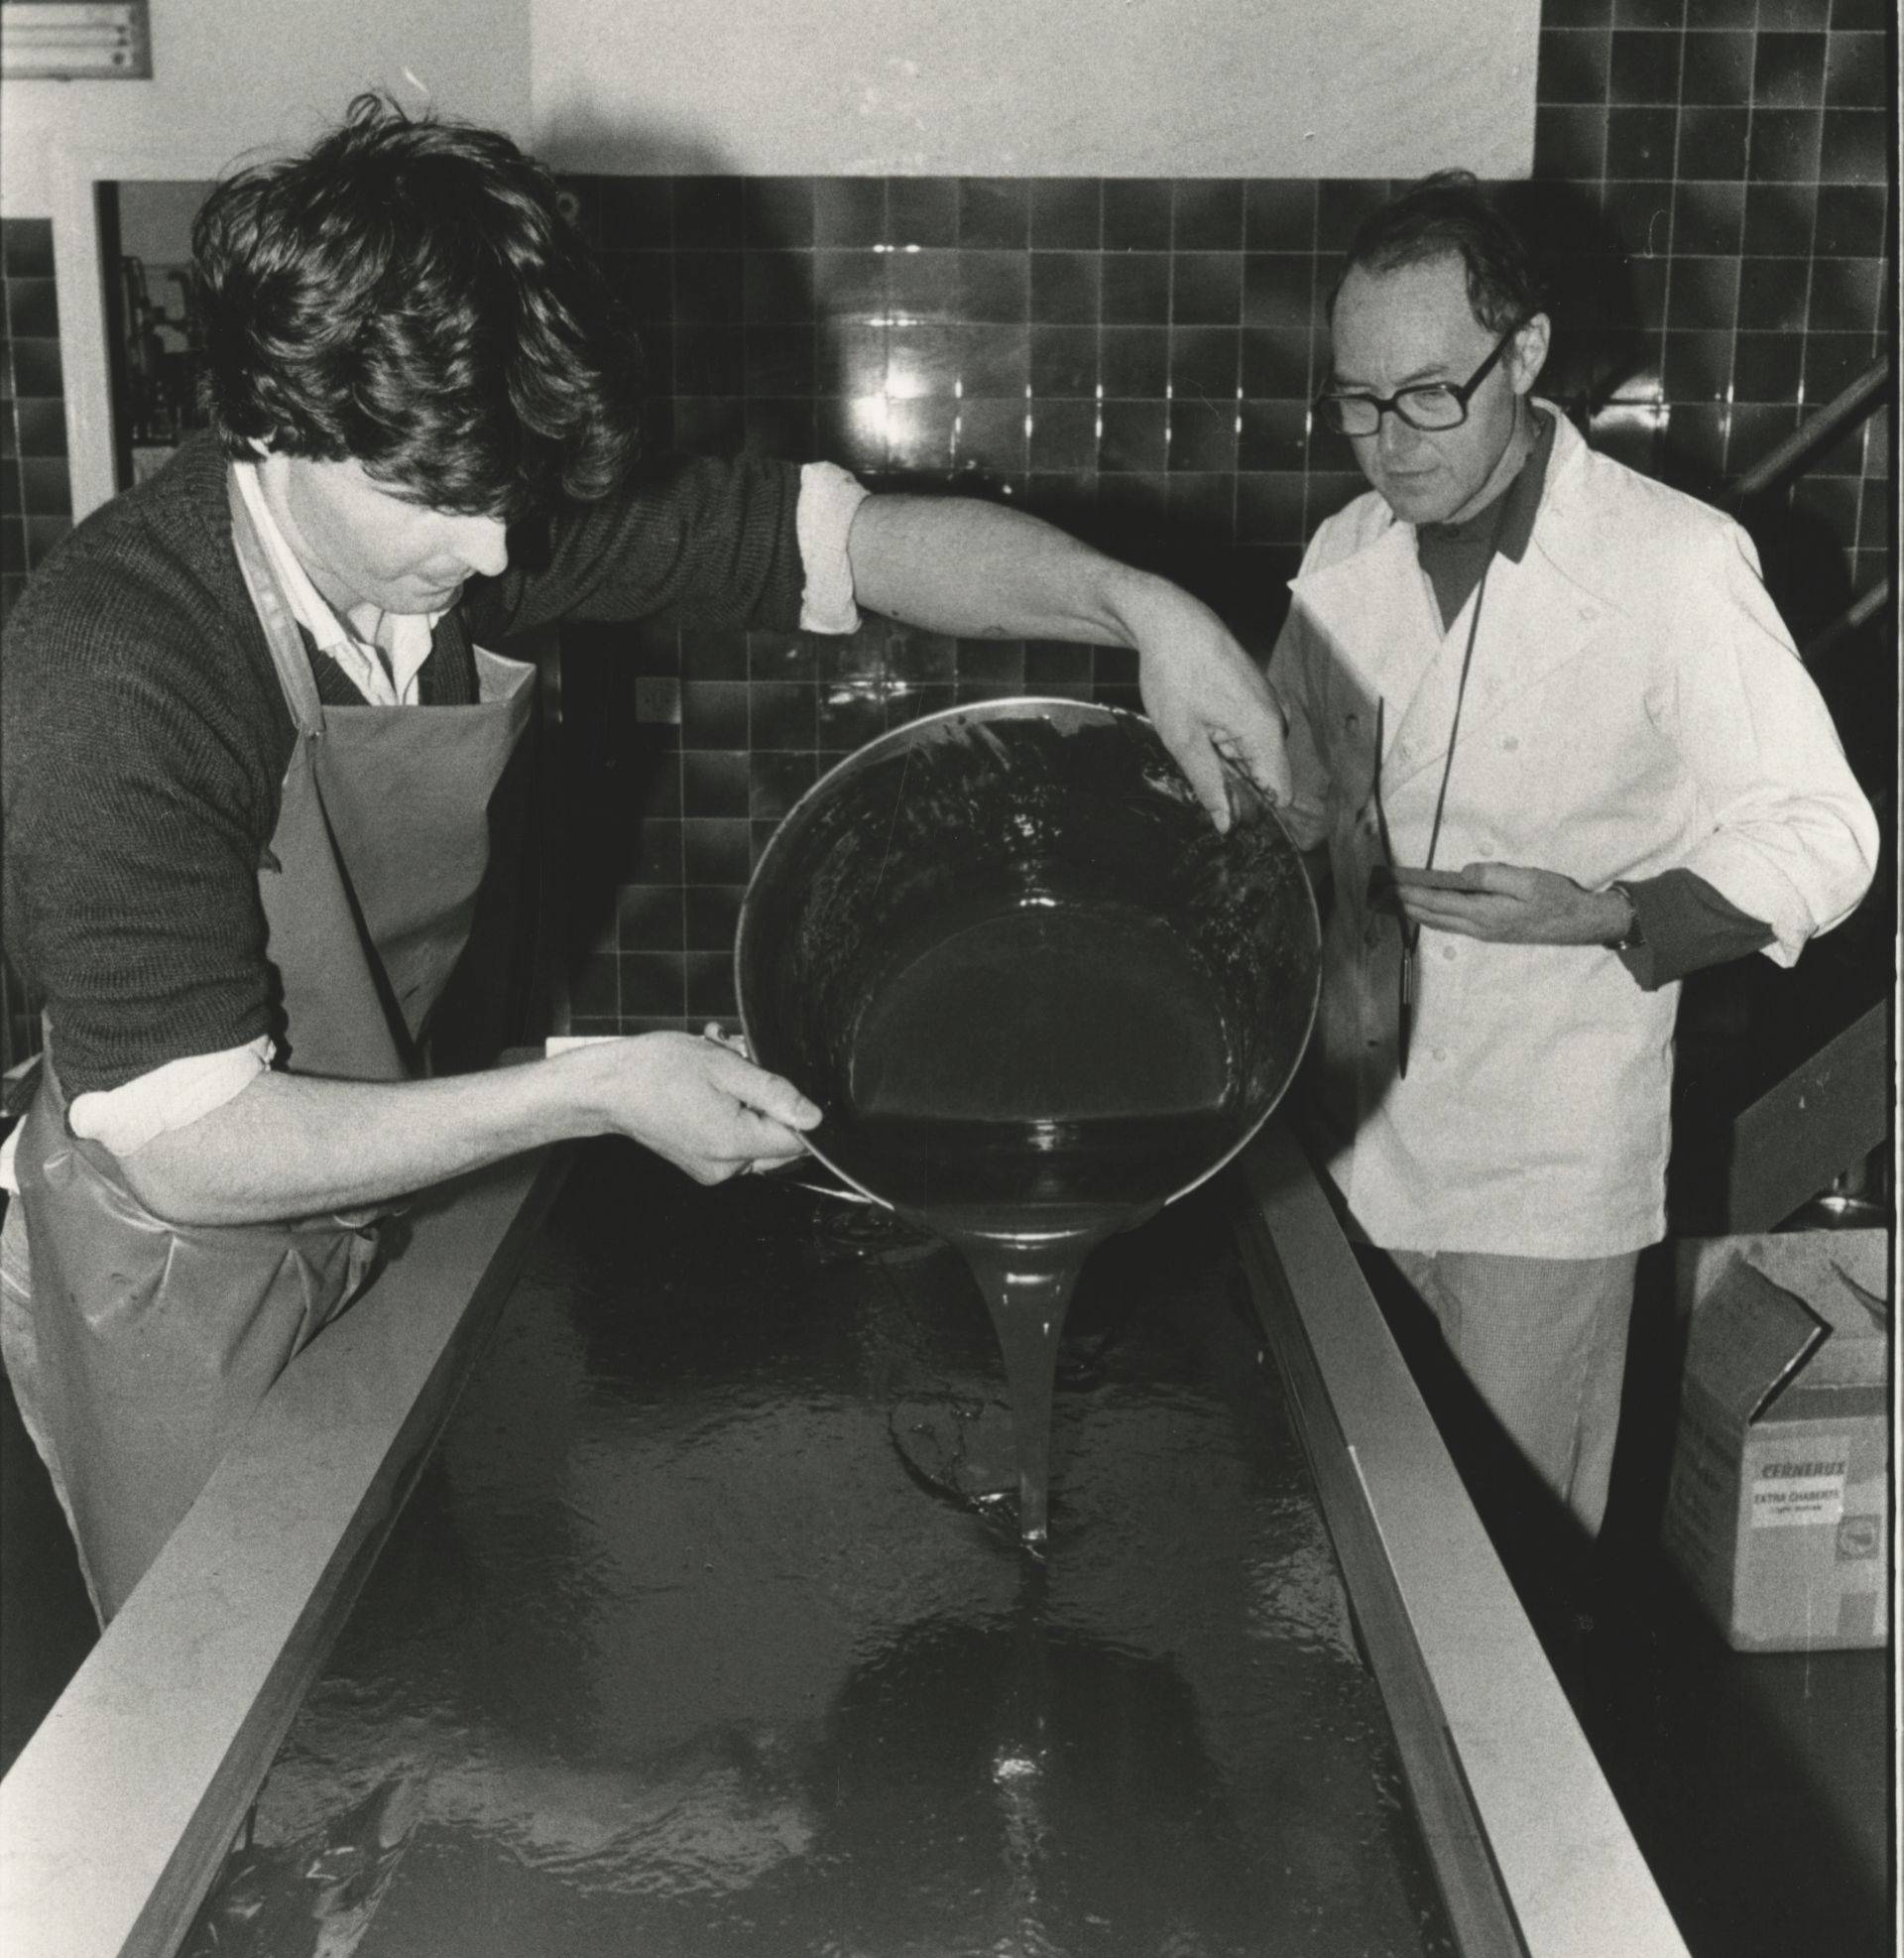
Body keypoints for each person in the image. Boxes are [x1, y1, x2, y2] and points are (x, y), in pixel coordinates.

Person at [0, 96, 1291, 1621]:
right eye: (441, 502)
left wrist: (1139, 609)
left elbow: (847, 542)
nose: (498, 553)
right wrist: (598, 1087)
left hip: (384, 1183)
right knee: (230, 1660)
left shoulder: (475, 506)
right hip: (178, 1261)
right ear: (275, 416)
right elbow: (190, 1141)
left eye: (510, 494)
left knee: (411, 1627)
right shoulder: (116, 665)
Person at [1271, 172, 1877, 1539]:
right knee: (1350, 1547)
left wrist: (1604, 914)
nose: (1389, 444)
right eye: (1357, 401)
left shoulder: (1673, 562)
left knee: (1511, 1566)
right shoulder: (1346, 549)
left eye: (1430, 394)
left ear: (1527, 353)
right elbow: (1298, 804)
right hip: (1348, 1141)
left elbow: (1824, 835)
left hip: (1542, 1168)